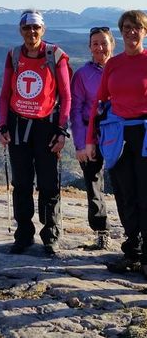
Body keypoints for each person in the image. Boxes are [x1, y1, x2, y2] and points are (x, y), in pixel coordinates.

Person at [0, 9, 71, 255]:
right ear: (21, 30)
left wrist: (62, 130)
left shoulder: (55, 55)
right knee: (21, 183)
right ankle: (24, 235)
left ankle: (50, 234)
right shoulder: (14, 54)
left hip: (47, 127)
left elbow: (67, 96)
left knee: (49, 183)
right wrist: (3, 125)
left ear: (43, 30)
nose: (31, 32)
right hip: (18, 125)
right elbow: (5, 93)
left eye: (36, 28)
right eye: (27, 28)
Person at [86, 10, 147, 276]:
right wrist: (90, 140)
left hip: (145, 134)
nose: (131, 32)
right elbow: (99, 105)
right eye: (126, 28)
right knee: (124, 195)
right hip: (118, 137)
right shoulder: (114, 64)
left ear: (144, 31)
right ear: (121, 32)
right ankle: (132, 251)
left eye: (137, 27)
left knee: (146, 196)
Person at [70, 27, 114, 249]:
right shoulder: (82, 75)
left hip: (118, 135)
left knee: (127, 185)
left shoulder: (120, 69)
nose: (99, 47)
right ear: (89, 47)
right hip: (90, 136)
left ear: (112, 44)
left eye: (103, 43)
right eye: (95, 43)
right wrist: (80, 144)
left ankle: (135, 235)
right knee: (94, 185)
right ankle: (101, 231)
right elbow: (75, 110)